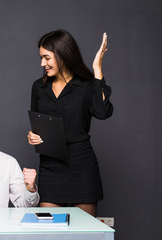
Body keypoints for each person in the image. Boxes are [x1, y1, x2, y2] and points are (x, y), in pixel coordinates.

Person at [28, 30, 113, 216]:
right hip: (50, 167)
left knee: (85, 233)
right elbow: (38, 123)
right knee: (50, 232)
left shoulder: (87, 85)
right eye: (41, 58)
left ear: (63, 55)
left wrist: (97, 69)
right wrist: (32, 136)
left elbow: (102, 111)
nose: (42, 63)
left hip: (82, 167)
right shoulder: (38, 87)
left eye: (47, 58)